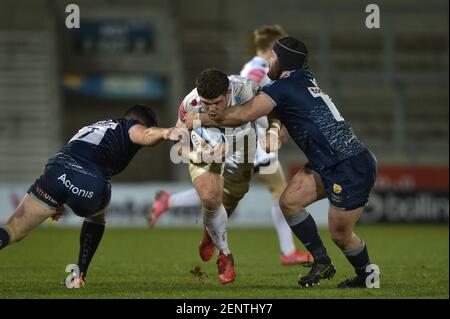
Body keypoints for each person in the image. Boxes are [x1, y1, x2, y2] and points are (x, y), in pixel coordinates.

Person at [184, 37, 379, 288]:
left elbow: (243, 114)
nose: (269, 61)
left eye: (273, 57)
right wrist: (276, 130)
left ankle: (367, 277)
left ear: (284, 61)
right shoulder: (302, 80)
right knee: (289, 202)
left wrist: (199, 119)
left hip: (349, 164)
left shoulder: (284, 87)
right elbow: (280, 111)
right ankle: (322, 261)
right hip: (326, 162)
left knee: (340, 234)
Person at [150, 25, 312, 266]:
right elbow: (262, 101)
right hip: (248, 142)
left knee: (227, 195)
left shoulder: (248, 75)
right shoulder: (259, 70)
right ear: (270, 49)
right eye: (278, 48)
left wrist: (276, 127)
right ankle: (286, 250)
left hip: (243, 139)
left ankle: (175, 207)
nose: (280, 54)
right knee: (271, 190)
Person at [0, 104, 178, 286]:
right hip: (88, 183)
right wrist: (166, 132)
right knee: (96, 217)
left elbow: (67, 154)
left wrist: (57, 198)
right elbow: (146, 135)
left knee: (12, 230)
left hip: (55, 173)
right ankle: (78, 276)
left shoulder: (95, 127)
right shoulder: (129, 126)